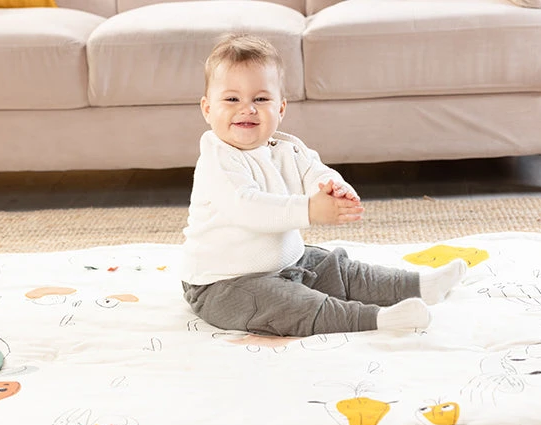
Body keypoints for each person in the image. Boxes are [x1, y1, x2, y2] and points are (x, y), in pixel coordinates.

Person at [180, 34, 466, 337]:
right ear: (207, 109)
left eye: (261, 99)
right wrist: (309, 209)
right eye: (232, 99)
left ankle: (417, 286)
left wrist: (334, 189)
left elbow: (315, 172)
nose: (247, 108)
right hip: (223, 285)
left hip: (287, 264)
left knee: (338, 268)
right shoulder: (217, 160)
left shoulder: (286, 148)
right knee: (290, 303)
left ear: (281, 108)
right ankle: (378, 319)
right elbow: (249, 207)